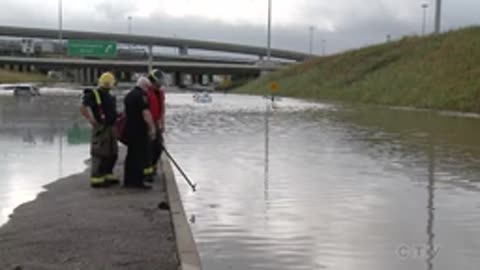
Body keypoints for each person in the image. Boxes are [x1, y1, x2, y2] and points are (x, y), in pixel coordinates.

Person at [80, 72, 119, 188]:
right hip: (101, 128)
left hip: (111, 127)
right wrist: (91, 120)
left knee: (112, 152)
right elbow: (83, 107)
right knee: (99, 153)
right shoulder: (93, 94)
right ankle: (96, 178)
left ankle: (107, 174)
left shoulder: (110, 96)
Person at [123, 76, 156, 189]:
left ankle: (128, 180)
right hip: (139, 130)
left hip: (129, 129)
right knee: (140, 156)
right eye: (148, 88)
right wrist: (152, 128)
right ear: (145, 86)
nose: (148, 90)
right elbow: (145, 113)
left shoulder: (129, 95)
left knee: (131, 155)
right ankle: (138, 182)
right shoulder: (142, 96)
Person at [145, 69, 166, 180]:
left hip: (157, 123)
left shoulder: (160, 93)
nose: (159, 85)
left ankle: (153, 167)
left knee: (158, 147)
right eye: (158, 83)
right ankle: (146, 172)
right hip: (147, 125)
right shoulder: (146, 92)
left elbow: (162, 109)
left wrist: (162, 124)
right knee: (148, 149)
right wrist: (150, 127)